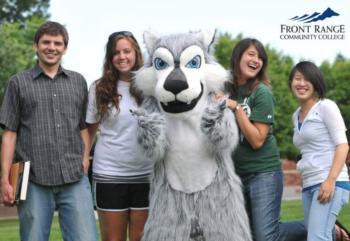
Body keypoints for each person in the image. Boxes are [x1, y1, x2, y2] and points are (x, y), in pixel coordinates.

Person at [0, 21, 98, 241]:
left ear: (65, 48)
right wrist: (5, 179)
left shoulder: (78, 82)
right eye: (46, 42)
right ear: (36, 46)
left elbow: (82, 126)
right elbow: (9, 134)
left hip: (74, 177)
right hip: (32, 179)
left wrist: (85, 158)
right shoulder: (18, 83)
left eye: (57, 43)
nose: (51, 47)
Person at [218, 38, 307, 241]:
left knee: (266, 237)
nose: (256, 60)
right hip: (236, 176)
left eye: (260, 57)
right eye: (251, 54)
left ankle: (319, 226)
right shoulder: (225, 89)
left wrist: (237, 108)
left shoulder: (261, 93)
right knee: (247, 235)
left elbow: (257, 140)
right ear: (237, 56)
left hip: (263, 173)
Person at [86, 31, 153, 241]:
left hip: (147, 174)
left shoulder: (151, 87)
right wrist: (83, 159)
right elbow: (89, 130)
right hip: (109, 173)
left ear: (136, 53)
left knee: (140, 238)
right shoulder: (99, 88)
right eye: (116, 53)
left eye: (127, 51)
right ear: (109, 57)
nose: (122, 57)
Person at [288, 61, 350, 241]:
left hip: (330, 182)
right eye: (297, 78)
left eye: (307, 79)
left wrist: (330, 181)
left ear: (316, 83)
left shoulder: (326, 106)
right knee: (321, 235)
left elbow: (343, 145)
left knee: (317, 237)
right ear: (291, 82)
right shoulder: (296, 115)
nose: (301, 83)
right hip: (310, 184)